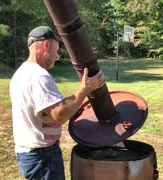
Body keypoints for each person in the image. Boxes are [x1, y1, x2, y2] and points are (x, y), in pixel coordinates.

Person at [9, 26, 105, 180]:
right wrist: (85, 89)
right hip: (42, 156)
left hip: (30, 154)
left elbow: (48, 108)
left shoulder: (21, 73)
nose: (57, 56)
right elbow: (58, 114)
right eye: (56, 50)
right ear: (46, 45)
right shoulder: (39, 76)